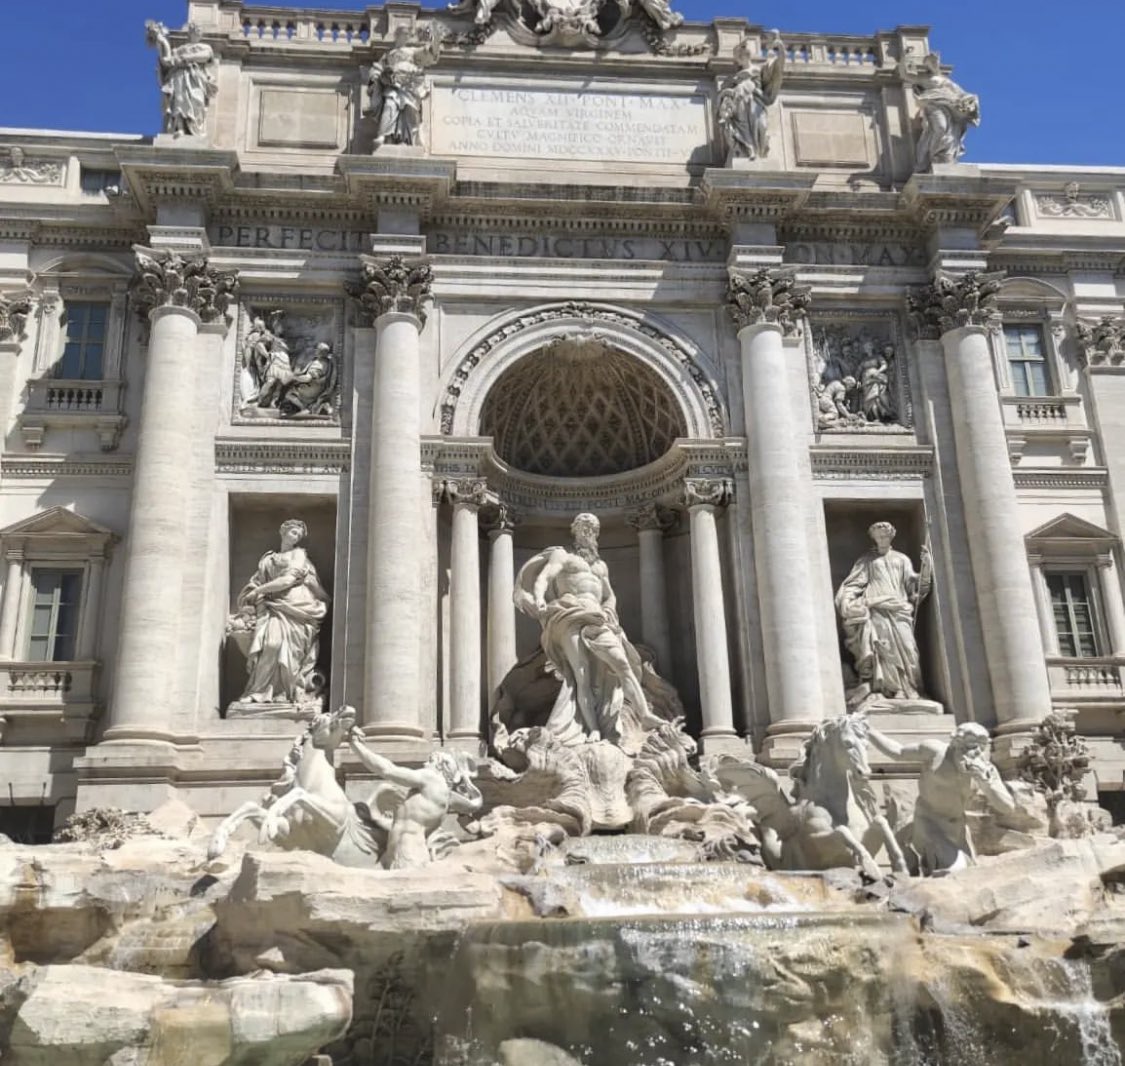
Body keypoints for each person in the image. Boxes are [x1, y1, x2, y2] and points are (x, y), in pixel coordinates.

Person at [514, 513, 665, 750]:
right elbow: (544, 577)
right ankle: (592, 729)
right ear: (575, 531)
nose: (588, 533)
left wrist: (610, 610)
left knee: (622, 664)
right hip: (570, 614)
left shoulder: (600, 566)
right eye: (584, 528)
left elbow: (609, 595)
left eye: (592, 529)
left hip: (598, 617)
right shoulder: (563, 555)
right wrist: (540, 598)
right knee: (581, 675)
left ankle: (644, 713)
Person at [865, 722, 1015, 874]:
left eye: (979, 748)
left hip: (958, 829)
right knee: (957, 871)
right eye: (969, 746)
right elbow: (898, 752)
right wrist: (869, 730)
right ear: (956, 743)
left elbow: (1007, 807)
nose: (974, 752)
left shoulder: (985, 770)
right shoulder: (936, 752)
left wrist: (987, 783)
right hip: (929, 823)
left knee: (971, 873)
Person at [229, 518, 330, 706]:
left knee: (288, 651)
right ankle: (259, 692)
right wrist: (252, 596)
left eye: (299, 535)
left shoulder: (299, 554)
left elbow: (287, 581)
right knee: (271, 645)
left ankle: (286, 694)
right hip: (272, 606)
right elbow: (257, 581)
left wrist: (259, 591)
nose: (297, 537)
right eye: (294, 532)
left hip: (297, 607)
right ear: (283, 532)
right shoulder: (268, 558)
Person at [347, 730, 482, 869]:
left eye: (430, 761)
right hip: (396, 853)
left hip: (408, 853)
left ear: (440, 766)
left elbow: (388, 770)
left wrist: (356, 746)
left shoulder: (432, 779)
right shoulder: (442, 799)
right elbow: (405, 824)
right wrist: (374, 819)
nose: (424, 764)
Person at [835, 521, 930, 704]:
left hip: (899, 608)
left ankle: (909, 687)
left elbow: (914, 587)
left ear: (891, 536)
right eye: (878, 536)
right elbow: (853, 584)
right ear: (873, 538)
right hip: (877, 609)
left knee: (908, 649)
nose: (882, 539)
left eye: (885, 536)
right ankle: (892, 690)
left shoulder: (902, 559)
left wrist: (926, 568)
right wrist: (848, 602)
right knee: (884, 649)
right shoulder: (866, 561)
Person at [898, 52, 980, 171]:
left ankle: (943, 155)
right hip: (934, 105)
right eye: (931, 62)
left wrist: (969, 103)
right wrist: (904, 60)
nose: (934, 64)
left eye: (935, 62)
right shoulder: (924, 78)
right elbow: (906, 75)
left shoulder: (945, 80)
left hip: (950, 106)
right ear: (927, 65)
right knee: (941, 127)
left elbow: (961, 94)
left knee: (950, 133)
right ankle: (933, 155)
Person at [366, 25, 443, 149]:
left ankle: (406, 139)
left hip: (410, 86)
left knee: (409, 111)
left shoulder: (412, 51)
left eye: (408, 34)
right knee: (390, 105)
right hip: (392, 85)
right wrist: (376, 79)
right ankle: (383, 135)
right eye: (405, 33)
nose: (407, 36)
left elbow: (431, 54)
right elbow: (376, 70)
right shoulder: (388, 55)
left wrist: (435, 38)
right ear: (397, 35)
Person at [716, 32, 785, 162]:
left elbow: (779, 67)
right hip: (739, 104)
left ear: (748, 55)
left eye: (743, 53)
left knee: (762, 126)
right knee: (742, 132)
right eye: (739, 55)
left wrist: (780, 48)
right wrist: (727, 94)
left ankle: (758, 151)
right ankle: (748, 151)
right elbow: (722, 95)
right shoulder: (733, 79)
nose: (742, 56)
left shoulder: (760, 70)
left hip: (756, 103)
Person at [146, 21, 217, 138]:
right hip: (180, 76)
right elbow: (167, 60)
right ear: (190, 33)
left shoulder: (205, 47)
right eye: (196, 29)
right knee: (179, 101)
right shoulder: (180, 49)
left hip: (195, 78)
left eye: (199, 30)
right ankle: (180, 128)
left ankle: (195, 129)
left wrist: (186, 58)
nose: (198, 32)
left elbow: (206, 56)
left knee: (197, 102)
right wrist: (161, 42)